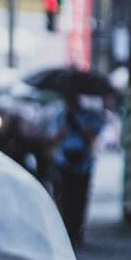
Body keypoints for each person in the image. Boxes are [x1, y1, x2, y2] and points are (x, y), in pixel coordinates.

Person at [54, 95, 105, 248]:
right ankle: (69, 232)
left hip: (83, 162)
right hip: (64, 162)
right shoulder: (60, 116)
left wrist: (82, 129)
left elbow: (95, 134)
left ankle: (77, 231)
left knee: (80, 199)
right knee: (65, 199)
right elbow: (53, 136)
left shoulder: (88, 115)